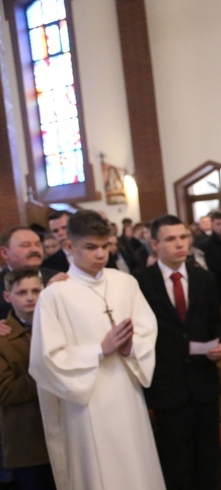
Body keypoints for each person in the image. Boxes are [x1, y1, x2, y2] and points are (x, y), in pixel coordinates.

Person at [28, 210, 164, 490]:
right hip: (86, 401)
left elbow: (146, 329)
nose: (100, 254)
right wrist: (99, 350)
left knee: (136, 466)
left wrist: (130, 347)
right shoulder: (54, 295)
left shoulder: (124, 282)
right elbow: (46, 359)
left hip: (127, 391)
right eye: (90, 247)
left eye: (104, 246)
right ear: (69, 246)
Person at [134, 215, 221, 490]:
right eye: (171, 239)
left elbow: (216, 323)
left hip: (204, 382)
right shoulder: (140, 282)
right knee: (176, 463)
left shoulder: (204, 278)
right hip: (167, 384)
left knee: (207, 460)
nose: (180, 244)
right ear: (154, 244)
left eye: (183, 237)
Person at [0, 269, 55, 489]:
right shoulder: (4, 339)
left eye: (36, 290)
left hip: (65, 434)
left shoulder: (57, 329)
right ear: (7, 297)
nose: (31, 297)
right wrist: (48, 372)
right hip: (28, 442)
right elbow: (6, 391)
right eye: (22, 292)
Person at [0, 227, 62, 319]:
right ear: (5, 253)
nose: (34, 250)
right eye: (25, 245)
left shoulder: (58, 278)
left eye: (38, 245)